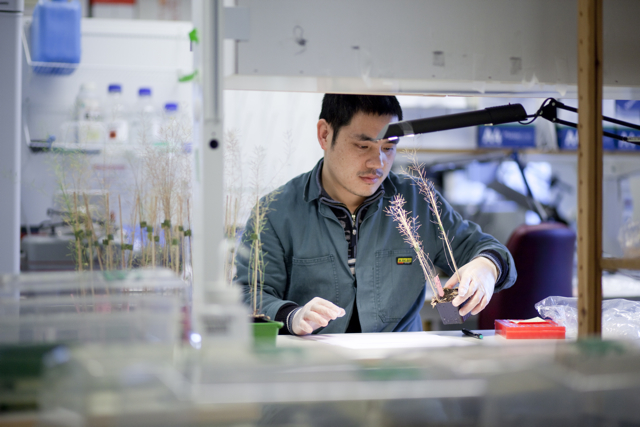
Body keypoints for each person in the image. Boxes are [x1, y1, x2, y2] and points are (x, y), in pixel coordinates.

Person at [236, 94, 516, 335]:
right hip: (314, 374)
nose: (377, 163)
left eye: (388, 147)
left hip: (399, 375)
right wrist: (290, 315)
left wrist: (486, 268)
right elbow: (247, 294)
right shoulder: (275, 212)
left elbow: (488, 249)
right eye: (363, 146)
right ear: (324, 134)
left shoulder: (416, 201)